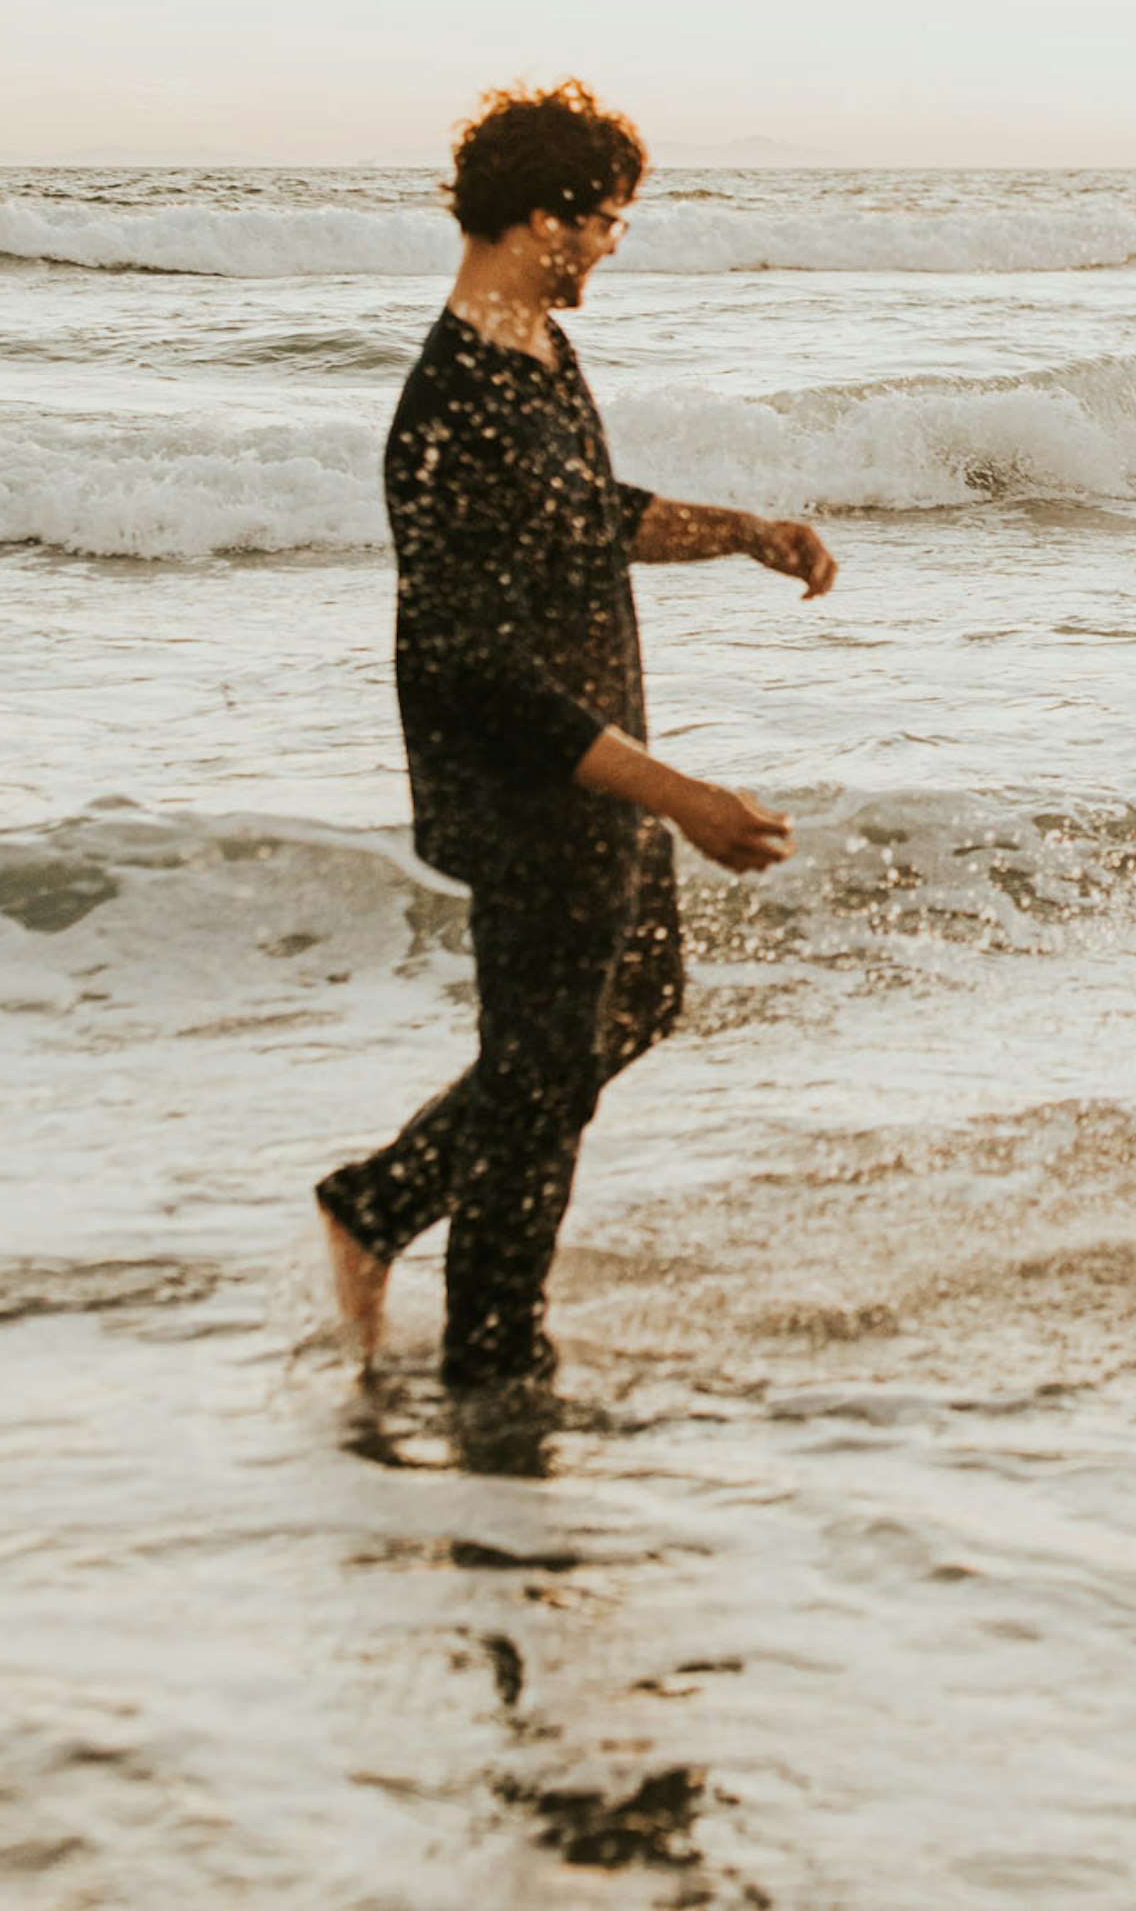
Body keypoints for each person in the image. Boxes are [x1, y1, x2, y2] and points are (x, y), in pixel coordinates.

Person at [316, 80, 835, 1393]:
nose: (614, 244)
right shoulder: (449, 410)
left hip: (598, 776)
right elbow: (478, 673)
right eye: (606, 221)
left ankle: (380, 1203)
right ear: (541, 217)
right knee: (540, 1080)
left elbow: (588, 511)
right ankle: (495, 1369)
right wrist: (682, 797)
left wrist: (743, 532)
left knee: (637, 1006)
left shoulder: (538, 350)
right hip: (530, 792)